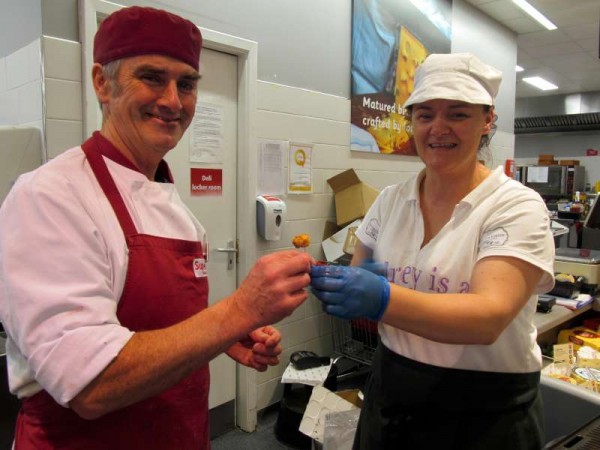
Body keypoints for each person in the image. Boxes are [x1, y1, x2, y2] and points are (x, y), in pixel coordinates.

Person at [0, 6, 312, 450]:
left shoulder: (168, 198)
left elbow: (159, 323)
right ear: (102, 84)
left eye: (186, 84)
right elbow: (90, 385)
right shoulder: (51, 195)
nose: (172, 101)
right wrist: (240, 310)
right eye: (151, 77)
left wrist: (223, 336)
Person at [311, 53, 555, 450]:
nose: (437, 129)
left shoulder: (515, 207)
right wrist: (331, 285)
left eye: (457, 114)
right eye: (424, 115)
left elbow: (486, 319)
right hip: (392, 392)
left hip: (484, 412)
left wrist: (381, 297)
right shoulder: (391, 201)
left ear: (487, 120)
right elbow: (360, 273)